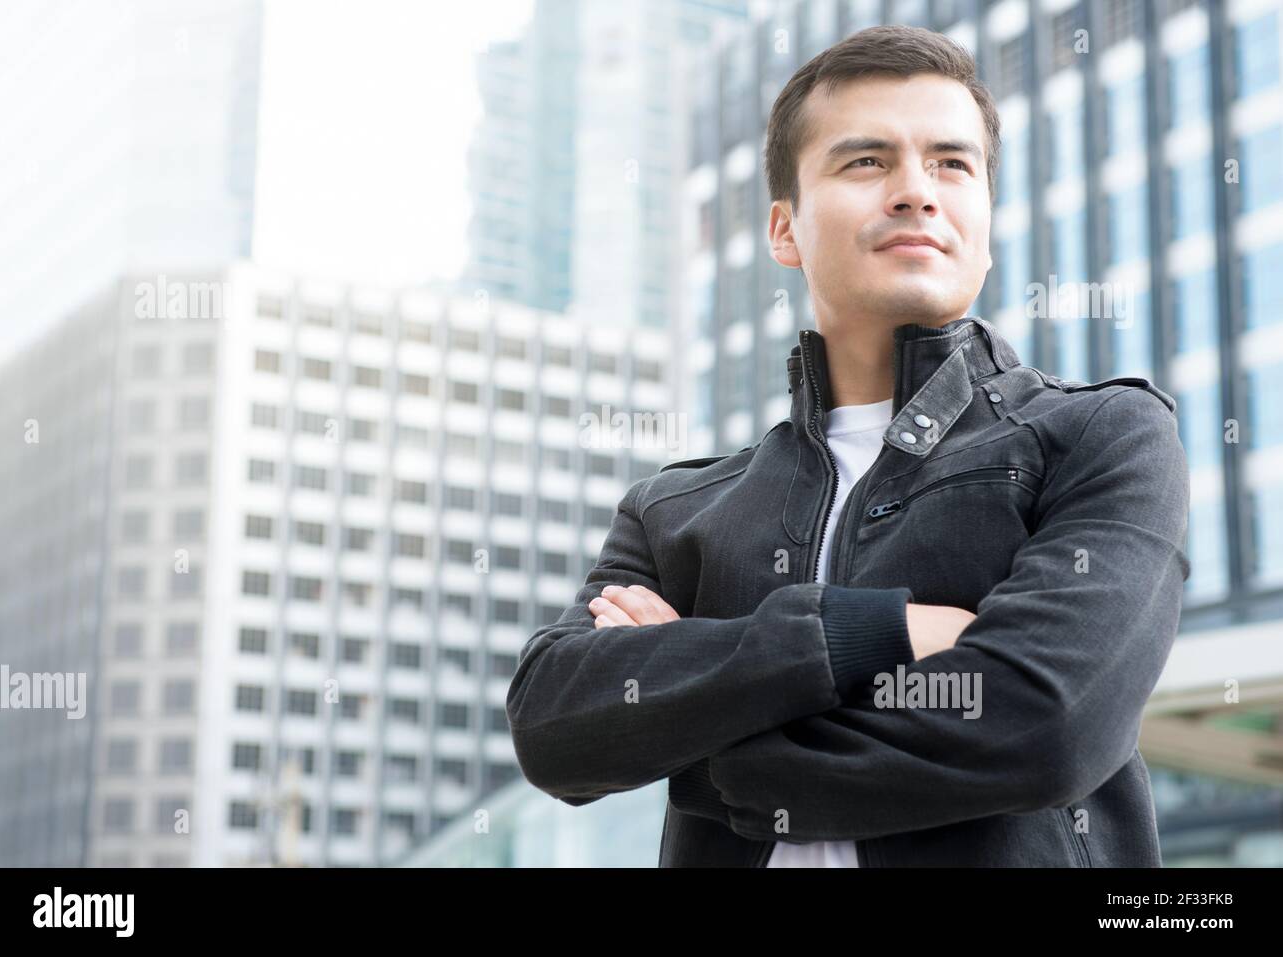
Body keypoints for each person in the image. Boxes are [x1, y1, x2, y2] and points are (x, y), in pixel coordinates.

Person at [508, 23, 1190, 868]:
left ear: (984, 222)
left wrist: (698, 732)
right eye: (866, 162)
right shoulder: (674, 509)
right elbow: (553, 725)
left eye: (952, 162)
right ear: (785, 230)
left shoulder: (1102, 437)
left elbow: (1044, 722)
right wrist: (873, 630)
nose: (916, 191)